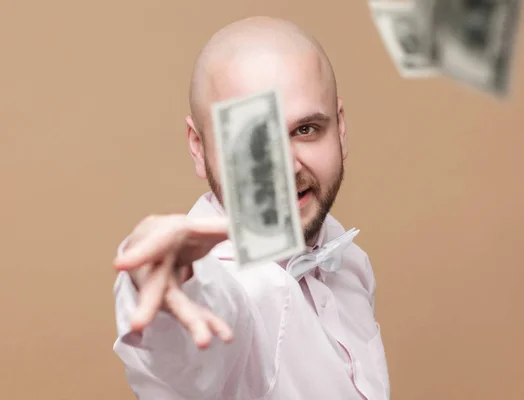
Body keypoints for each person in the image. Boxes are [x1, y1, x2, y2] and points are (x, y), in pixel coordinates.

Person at [112, 16, 390, 400]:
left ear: (340, 129)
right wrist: (165, 279)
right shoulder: (233, 290)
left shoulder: (347, 260)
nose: (287, 165)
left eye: (305, 129)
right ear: (198, 146)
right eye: (254, 140)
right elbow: (193, 342)